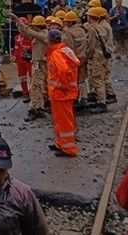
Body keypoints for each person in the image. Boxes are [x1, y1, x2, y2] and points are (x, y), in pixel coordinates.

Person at [45, 28, 80, 157]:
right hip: (62, 93)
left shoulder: (56, 54)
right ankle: (60, 143)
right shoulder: (65, 50)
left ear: (50, 40)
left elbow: (64, 71)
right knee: (60, 121)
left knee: (64, 122)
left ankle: (68, 148)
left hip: (61, 94)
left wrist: (63, 86)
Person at [84, 5, 117, 110]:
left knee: (97, 78)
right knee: (101, 77)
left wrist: (87, 57)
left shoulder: (93, 29)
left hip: (96, 56)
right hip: (102, 55)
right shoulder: (101, 27)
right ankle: (101, 98)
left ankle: (101, 102)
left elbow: (91, 46)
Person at [20, 15, 51, 121]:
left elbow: (29, 32)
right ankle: (39, 107)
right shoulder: (40, 35)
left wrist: (17, 20)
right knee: (37, 86)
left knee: (35, 86)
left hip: (40, 63)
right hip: (36, 63)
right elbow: (27, 35)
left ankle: (34, 108)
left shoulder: (43, 35)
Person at [61, 10, 91, 109]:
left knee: (75, 80)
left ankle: (76, 98)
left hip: (75, 59)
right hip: (83, 57)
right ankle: (84, 97)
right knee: (82, 79)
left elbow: (70, 48)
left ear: (69, 22)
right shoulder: (81, 30)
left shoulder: (69, 33)